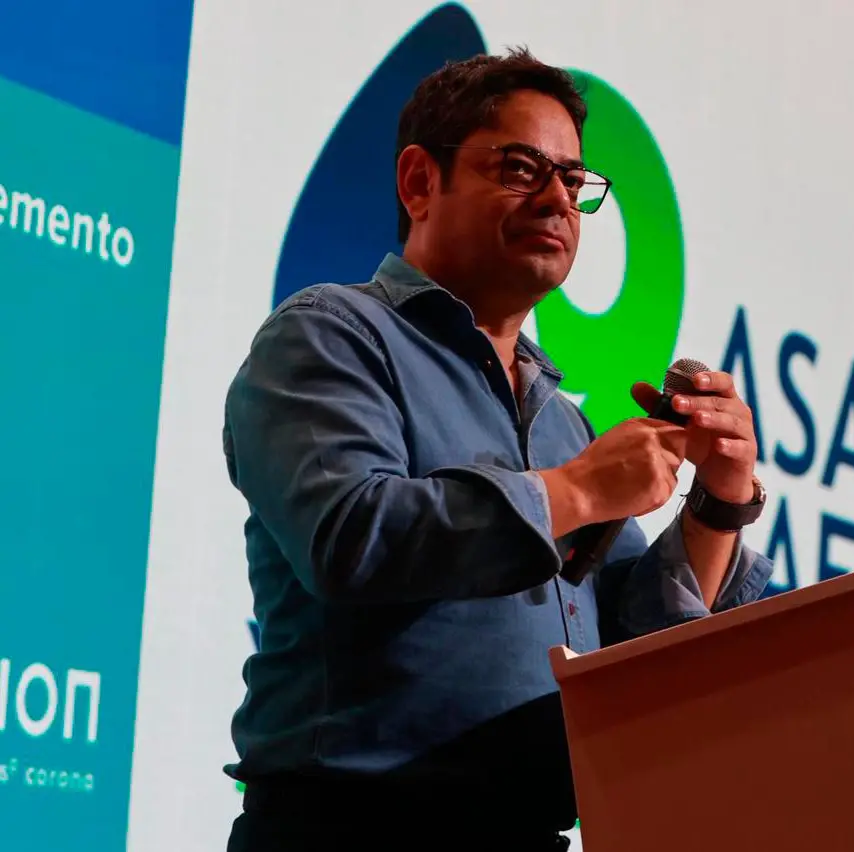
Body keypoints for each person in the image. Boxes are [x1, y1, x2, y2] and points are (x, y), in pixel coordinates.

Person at [223, 48, 773, 852]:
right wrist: (580, 491)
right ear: (420, 182)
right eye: (521, 168)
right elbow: (348, 536)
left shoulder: (560, 423)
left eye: (575, 182)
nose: (558, 198)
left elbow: (634, 638)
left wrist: (719, 499)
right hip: (348, 826)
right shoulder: (331, 334)